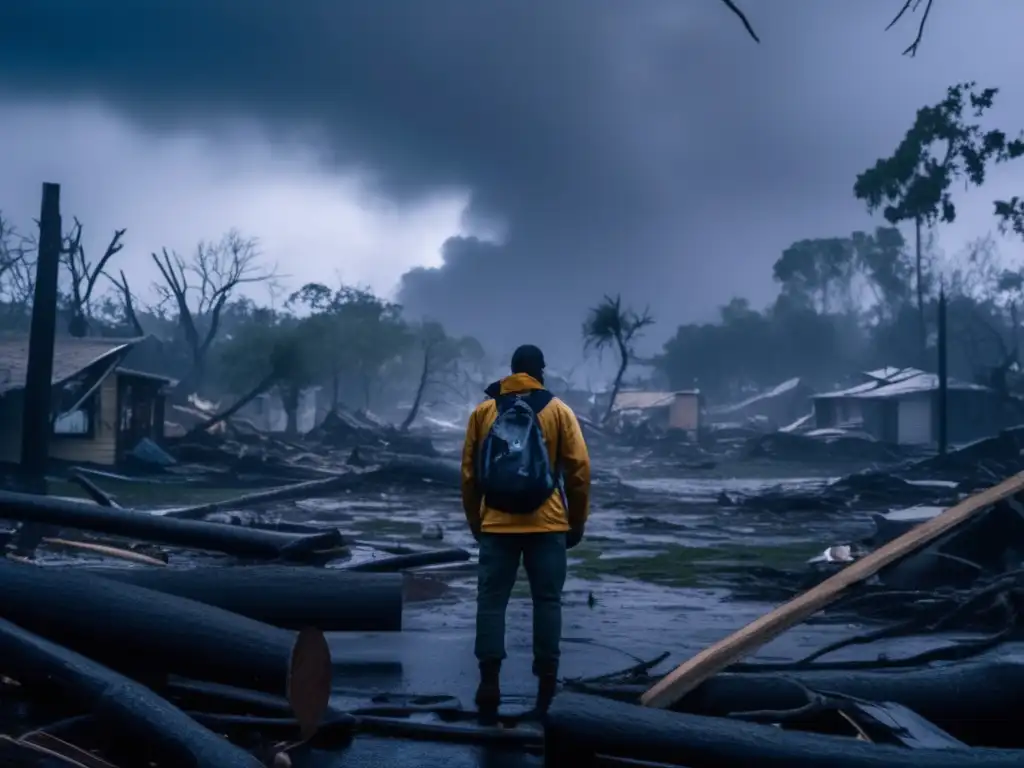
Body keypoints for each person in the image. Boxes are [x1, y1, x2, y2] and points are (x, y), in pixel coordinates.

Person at [460, 344, 591, 720]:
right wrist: (577, 521)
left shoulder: (484, 412)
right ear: (540, 372)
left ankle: (489, 682)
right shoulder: (559, 411)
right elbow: (579, 471)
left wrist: (476, 522)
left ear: (512, 371)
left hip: (496, 524)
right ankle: (547, 685)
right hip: (547, 523)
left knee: (491, 601)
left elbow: (469, 476)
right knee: (547, 601)